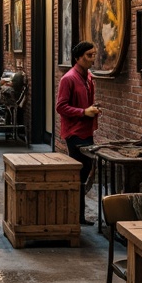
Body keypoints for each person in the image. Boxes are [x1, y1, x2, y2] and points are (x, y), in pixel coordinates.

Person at [56, 40, 101, 225]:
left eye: (94, 55)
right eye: (89, 55)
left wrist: (93, 109)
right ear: (78, 58)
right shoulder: (68, 78)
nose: (93, 59)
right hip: (74, 132)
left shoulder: (88, 76)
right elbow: (61, 106)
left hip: (87, 129)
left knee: (86, 172)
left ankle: (79, 215)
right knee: (79, 173)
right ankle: (76, 216)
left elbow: (86, 102)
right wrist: (83, 112)